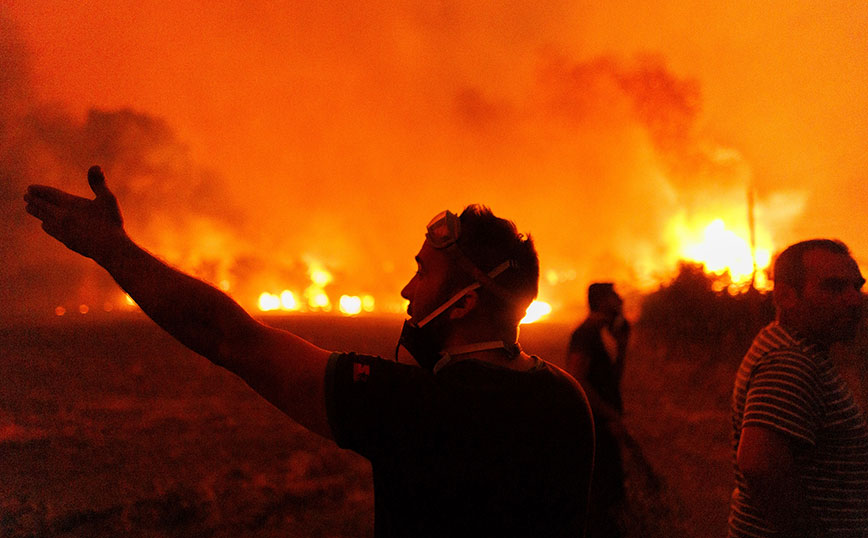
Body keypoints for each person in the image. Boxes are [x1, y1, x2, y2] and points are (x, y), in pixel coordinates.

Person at [24, 166, 595, 538]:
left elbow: (232, 339)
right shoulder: (567, 400)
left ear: (466, 302)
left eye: (422, 272)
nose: (406, 291)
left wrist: (113, 250)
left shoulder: (417, 408)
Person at [729, 239, 868, 537]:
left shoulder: (784, 343)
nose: (854, 299)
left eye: (856, 286)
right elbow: (759, 463)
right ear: (786, 296)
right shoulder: (790, 361)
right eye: (834, 288)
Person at [566, 282, 629, 538]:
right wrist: (609, 414)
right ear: (602, 300)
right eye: (614, 295)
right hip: (595, 426)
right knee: (600, 499)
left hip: (605, 424)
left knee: (611, 495)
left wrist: (623, 345)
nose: (620, 299)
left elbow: (612, 379)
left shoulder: (605, 333)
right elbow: (577, 379)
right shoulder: (586, 334)